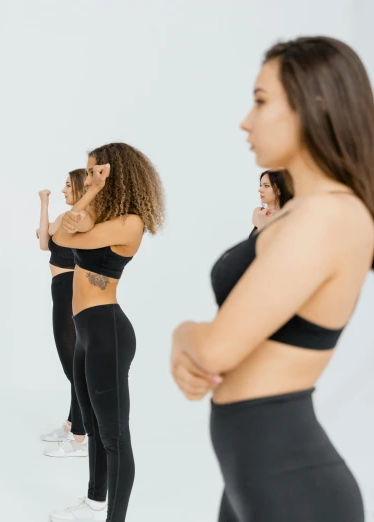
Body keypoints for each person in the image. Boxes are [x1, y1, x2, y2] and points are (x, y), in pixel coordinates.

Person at [171, 36, 372, 522]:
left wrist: (182, 336)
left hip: (293, 486)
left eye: (261, 101)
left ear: (313, 105)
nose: (246, 119)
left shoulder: (329, 215)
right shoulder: (300, 212)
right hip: (256, 477)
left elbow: (217, 349)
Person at [50, 143, 165, 522]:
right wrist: (93, 192)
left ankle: (115, 518)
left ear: (114, 173)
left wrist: (88, 202)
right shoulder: (99, 212)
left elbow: (66, 239)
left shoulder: (129, 222)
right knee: (96, 427)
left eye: (94, 171)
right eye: (87, 172)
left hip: (107, 332)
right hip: (87, 332)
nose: (88, 177)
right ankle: (95, 502)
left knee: (114, 436)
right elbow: (63, 232)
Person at [38, 169, 89, 458]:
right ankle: (72, 424)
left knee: (73, 366)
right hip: (60, 291)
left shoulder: (82, 219)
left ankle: (80, 438)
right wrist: (44, 203)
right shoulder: (65, 217)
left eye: (68, 185)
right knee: (71, 364)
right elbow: (44, 243)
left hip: (71, 291)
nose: (63, 189)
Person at [250, 169, 292, 237]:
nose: (260, 190)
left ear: (279, 190)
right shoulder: (258, 211)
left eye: (266, 186)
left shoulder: (289, 217)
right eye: (261, 185)